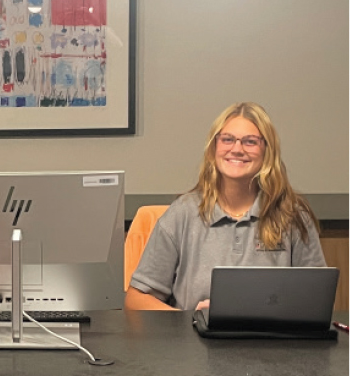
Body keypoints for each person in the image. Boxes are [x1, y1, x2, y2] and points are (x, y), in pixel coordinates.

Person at [125, 102, 325, 311]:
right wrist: (191, 320)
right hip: (193, 332)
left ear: (267, 150)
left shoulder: (292, 215)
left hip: (269, 333)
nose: (237, 149)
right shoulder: (182, 213)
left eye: (250, 142)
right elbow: (136, 299)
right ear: (214, 147)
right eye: (228, 139)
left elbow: (316, 297)